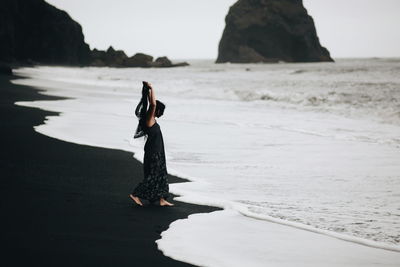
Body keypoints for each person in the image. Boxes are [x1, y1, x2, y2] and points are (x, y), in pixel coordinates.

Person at [130, 81, 174, 207]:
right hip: (153, 152)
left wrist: (148, 91)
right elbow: (153, 104)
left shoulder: (151, 118)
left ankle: (161, 199)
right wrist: (152, 88)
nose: (162, 114)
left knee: (161, 175)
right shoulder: (149, 119)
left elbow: (151, 102)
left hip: (158, 151)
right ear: (156, 110)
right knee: (153, 175)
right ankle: (136, 194)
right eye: (161, 111)